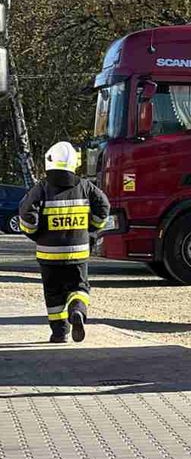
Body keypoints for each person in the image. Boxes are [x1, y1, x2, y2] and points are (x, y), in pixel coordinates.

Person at [18, 142, 109, 343]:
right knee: (79, 287)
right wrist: (92, 228)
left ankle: (59, 333)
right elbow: (104, 205)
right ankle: (77, 309)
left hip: (48, 255)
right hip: (77, 253)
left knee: (53, 294)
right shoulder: (85, 187)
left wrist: (34, 233)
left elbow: (26, 213)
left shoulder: (41, 188)